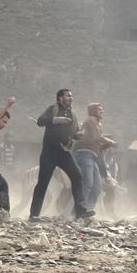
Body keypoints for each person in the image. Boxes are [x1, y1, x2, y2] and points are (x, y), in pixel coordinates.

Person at [29, 89, 94, 221]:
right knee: (43, 183)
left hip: (64, 152)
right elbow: (40, 121)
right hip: (49, 152)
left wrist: (78, 135)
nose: (71, 98)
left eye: (71, 96)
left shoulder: (73, 115)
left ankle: (80, 211)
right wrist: (55, 120)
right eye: (68, 96)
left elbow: (74, 134)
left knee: (77, 176)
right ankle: (34, 215)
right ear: (60, 98)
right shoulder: (52, 109)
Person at [74, 103, 115, 212]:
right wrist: (110, 142)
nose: (102, 111)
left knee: (96, 188)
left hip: (93, 156)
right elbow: (97, 137)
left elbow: (98, 142)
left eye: (102, 109)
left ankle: (87, 211)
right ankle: (78, 212)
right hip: (85, 154)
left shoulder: (98, 124)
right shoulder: (91, 120)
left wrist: (108, 144)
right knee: (87, 184)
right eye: (99, 110)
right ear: (93, 111)